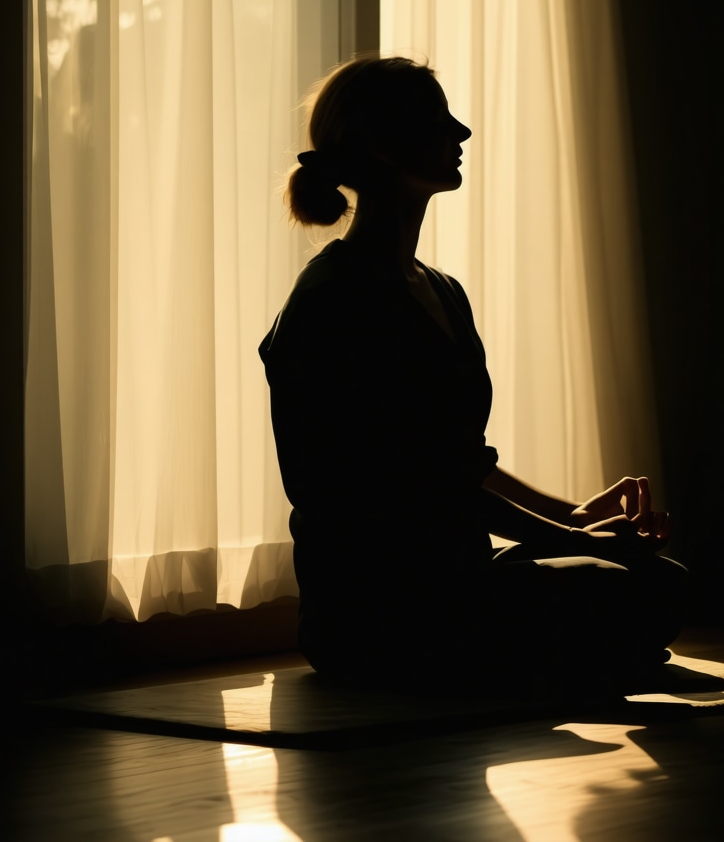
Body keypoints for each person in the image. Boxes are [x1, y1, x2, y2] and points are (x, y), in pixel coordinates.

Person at [259, 56, 688, 700]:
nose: (461, 133)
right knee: (626, 589)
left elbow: (460, 464)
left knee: (661, 580)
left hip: (455, 572)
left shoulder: (440, 291)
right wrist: (574, 538)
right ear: (382, 146)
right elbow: (420, 484)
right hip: (377, 606)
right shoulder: (336, 300)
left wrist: (572, 514)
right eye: (437, 119)